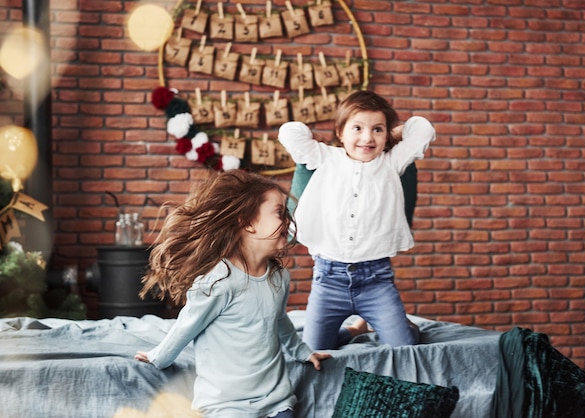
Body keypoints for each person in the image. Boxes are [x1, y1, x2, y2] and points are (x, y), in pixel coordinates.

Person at [134, 169, 331, 418]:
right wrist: (158, 358)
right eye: (280, 214)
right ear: (248, 223)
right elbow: (186, 326)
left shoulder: (279, 277)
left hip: (277, 401)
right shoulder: (219, 280)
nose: (288, 222)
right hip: (227, 405)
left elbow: (280, 320)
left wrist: (302, 351)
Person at [278, 90, 436, 350]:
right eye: (357, 128)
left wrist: (394, 134)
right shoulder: (325, 157)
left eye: (377, 130)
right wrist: (318, 139)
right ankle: (353, 330)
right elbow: (289, 132)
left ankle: (402, 326)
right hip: (328, 281)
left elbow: (423, 129)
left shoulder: (391, 162)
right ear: (341, 132)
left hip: (376, 281)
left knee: (404, 347)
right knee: (316, 350)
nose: (367, 137)